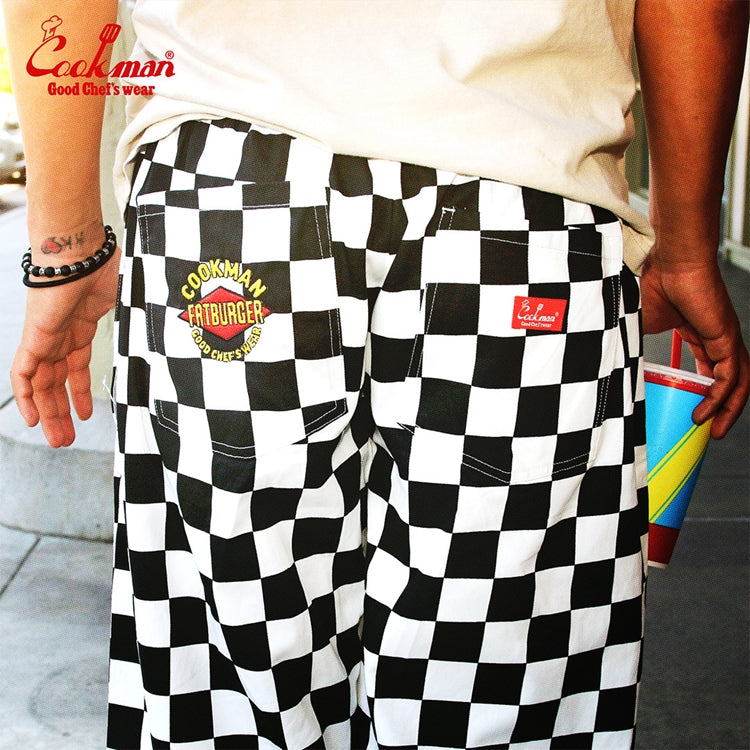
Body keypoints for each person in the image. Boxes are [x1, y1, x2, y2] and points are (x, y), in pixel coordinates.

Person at [4, 1, 748, 747]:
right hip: (519, 203)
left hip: (234, 195)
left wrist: (65, 244)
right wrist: (687, 247)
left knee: (234, 680)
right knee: (495, 672)